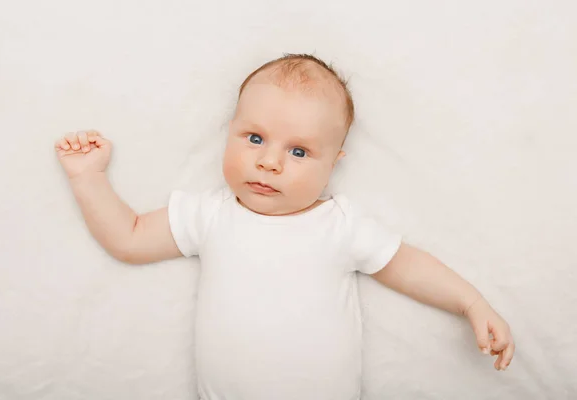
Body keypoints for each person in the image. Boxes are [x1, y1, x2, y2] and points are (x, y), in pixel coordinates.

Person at [54, 53, 514, 400]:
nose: (269, 162)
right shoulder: (209, 214)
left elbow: (406, 265)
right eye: (254, 138)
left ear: (334, 164)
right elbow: (129, 238)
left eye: (299, 152)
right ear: (229, 132)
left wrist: (470, 302)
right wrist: (89, 178)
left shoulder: (341, 225)